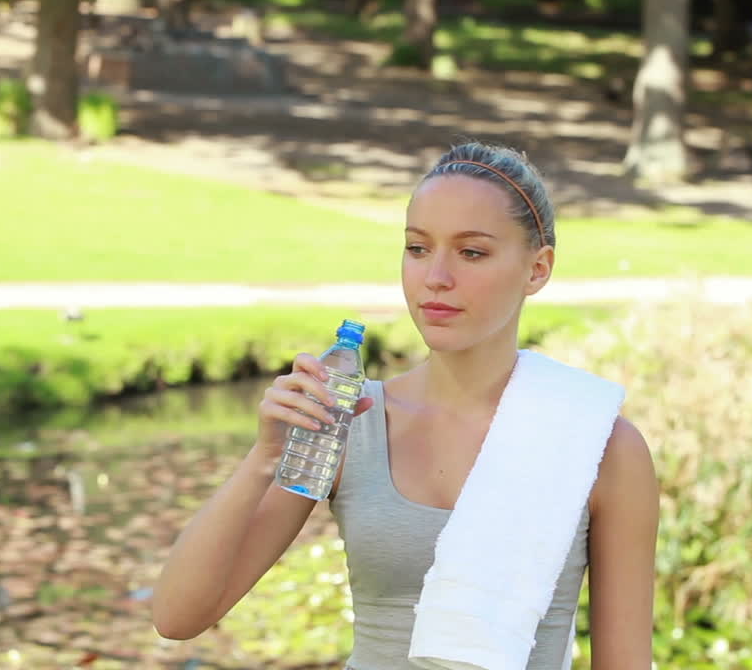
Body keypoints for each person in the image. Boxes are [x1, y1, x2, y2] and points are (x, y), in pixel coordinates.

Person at [150, 141, 660, 670]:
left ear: (537, 269)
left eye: (471, 252)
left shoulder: (596, 444)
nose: (435, 277)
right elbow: (177, 617)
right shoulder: (350, 422)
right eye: (418, 248)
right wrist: (265, 458)